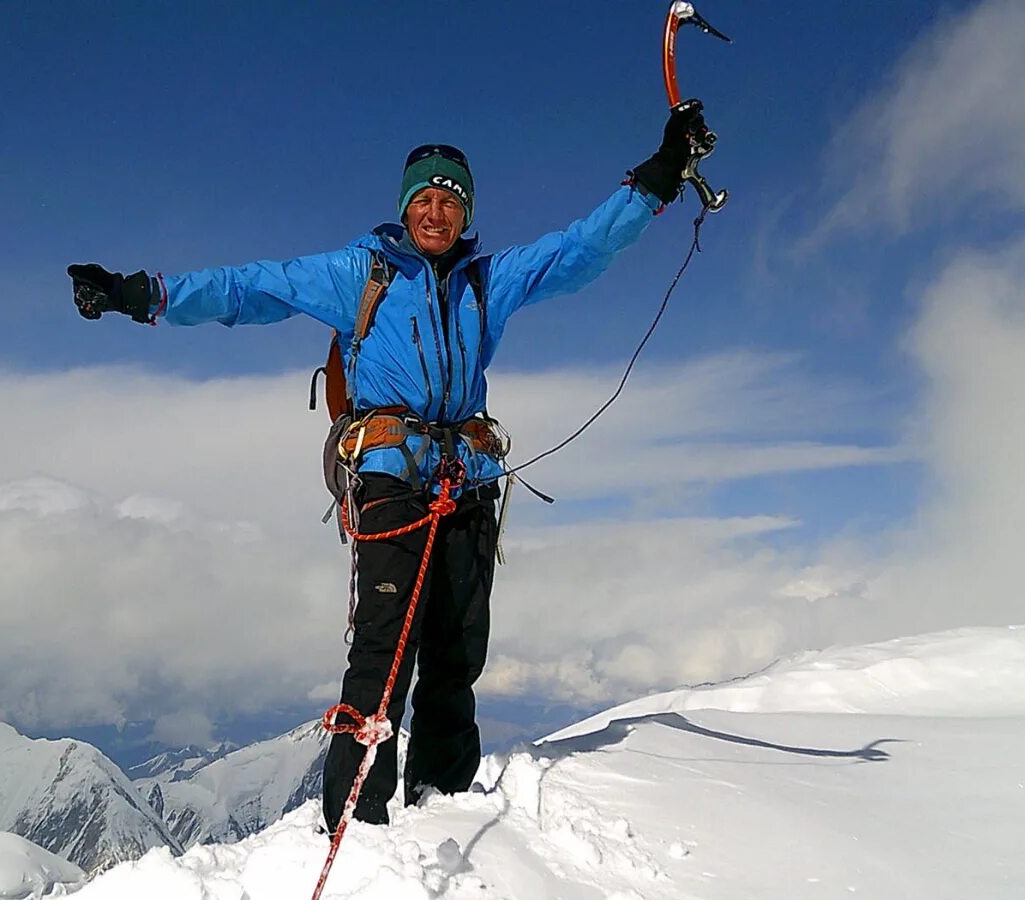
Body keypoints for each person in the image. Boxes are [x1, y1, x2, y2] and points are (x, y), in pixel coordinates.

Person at [68, 100, 710, 833]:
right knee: (382, 656)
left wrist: (657, 178)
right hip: (390, 477)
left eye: (451, 200)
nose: (437, 212)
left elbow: (580, 248)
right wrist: (140, 295)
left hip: (465, 480)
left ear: (465, 213)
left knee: (455, 656)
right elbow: (252, 288)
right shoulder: (359, 274)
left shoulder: (485, 281)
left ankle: (442, 809)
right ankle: (354, 822)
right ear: (405, 208)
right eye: (425, 199)